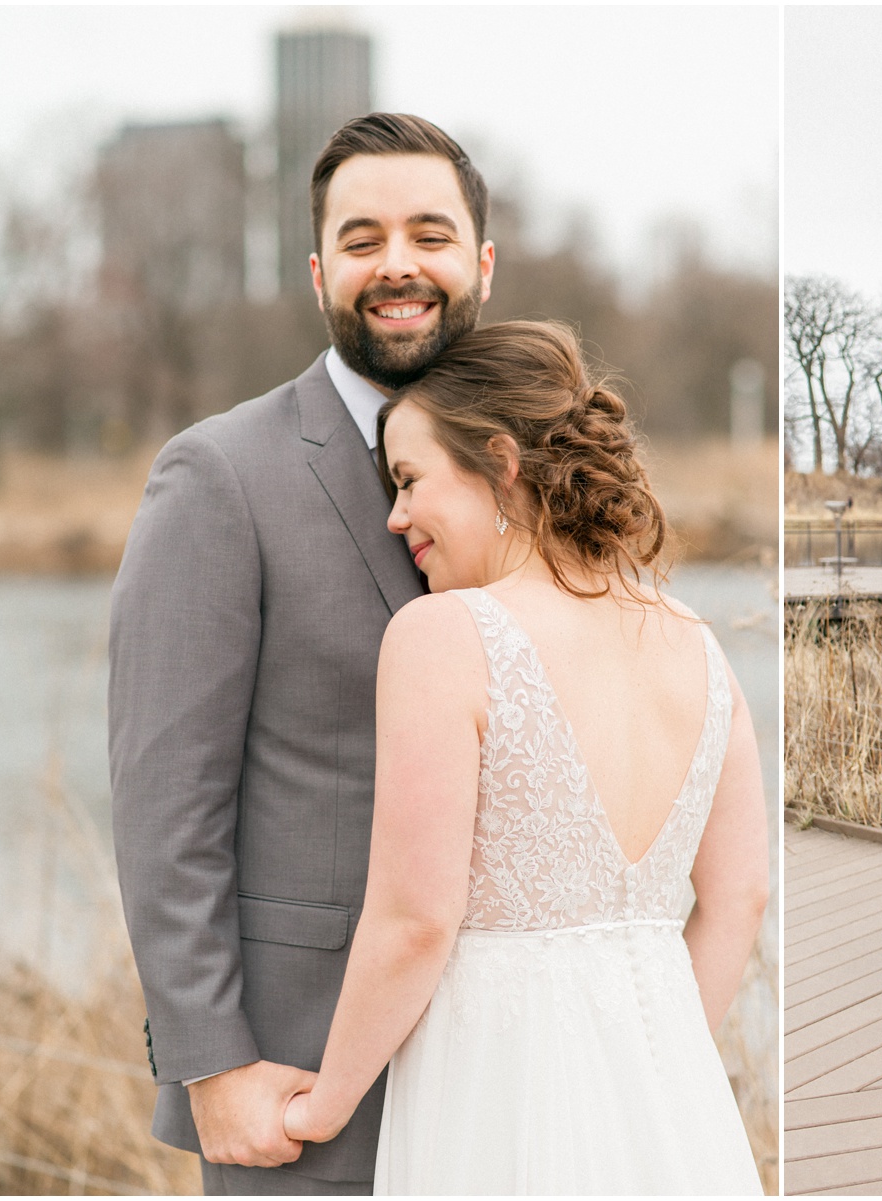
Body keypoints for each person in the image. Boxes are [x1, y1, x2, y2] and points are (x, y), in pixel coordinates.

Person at [275, 320, 769, 1194]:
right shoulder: (701, 646)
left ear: (501, 462)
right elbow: (739, 897)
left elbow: (414, 920)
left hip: (493, 1103)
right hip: (675, 1111)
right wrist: (655, 1071)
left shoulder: (443, 636)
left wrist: (321, 1108)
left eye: (409, 479)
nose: (395, 517)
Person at [109, 112, 495, 1195]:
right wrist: (210, 1062)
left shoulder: (540, 477)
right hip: (302, 1081)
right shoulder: (218, 476)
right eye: (363, 238)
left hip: (512, 1063)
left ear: (482, 263)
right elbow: (162, 802)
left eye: (430, 232)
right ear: (322, 268)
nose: (399, 264)